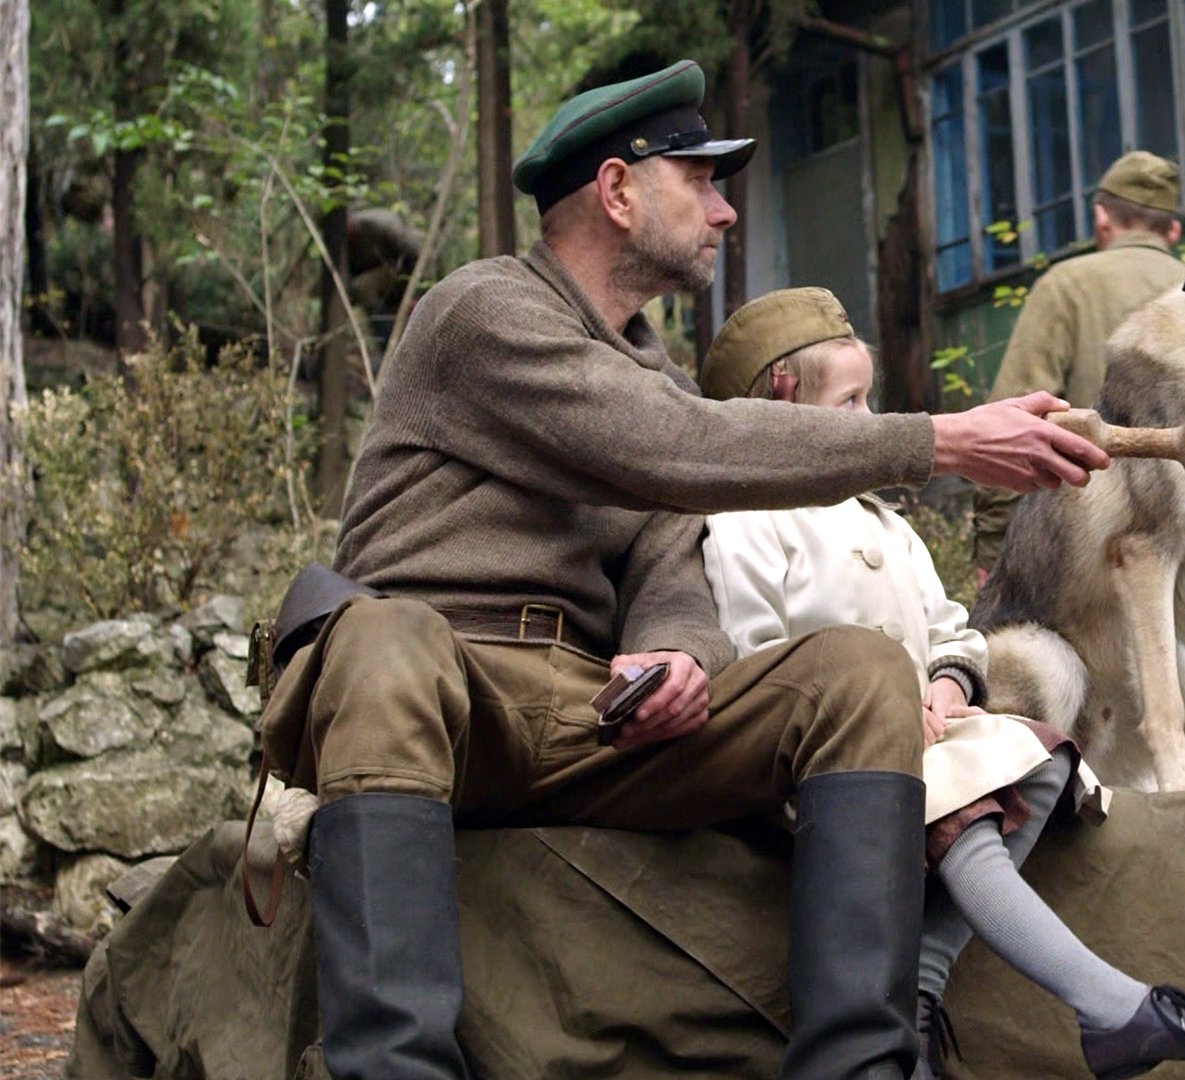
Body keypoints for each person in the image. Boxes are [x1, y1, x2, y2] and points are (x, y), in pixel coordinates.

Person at [257, 60, 1111, 1080]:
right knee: (383, 636)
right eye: (700, 181)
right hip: (430, 692)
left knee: (856, 673)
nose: (724, 213)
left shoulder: (646, 366)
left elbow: (672, 554)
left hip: (582, 709)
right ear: (619, 192)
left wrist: (675, 653)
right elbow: (671, 444)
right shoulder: (481, 312)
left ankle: (861, 1066)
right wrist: (939, 440)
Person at [695, 288, 1185, 1080]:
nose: (873, 420)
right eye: (852, 401)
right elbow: (752, 654)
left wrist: (948, 682)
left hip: (923, 740)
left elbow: (952, 627)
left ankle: (929, 995)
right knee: (963, 809)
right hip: (824, 767)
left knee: (1031, 751)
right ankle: (1113, 1008)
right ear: (786, 399)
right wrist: (871, 711)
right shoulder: (746, 521)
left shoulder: (883, 523)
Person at [971, 150, 1185, 582]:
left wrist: (994, 547)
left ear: (1101, 217)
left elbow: (1011, 418)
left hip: (1091, 553)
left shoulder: (1065, 286)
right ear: (1174, 229)